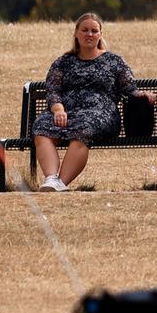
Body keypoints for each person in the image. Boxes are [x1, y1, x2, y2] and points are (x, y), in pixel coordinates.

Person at [34, 13, 145, 191]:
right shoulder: (63, 62)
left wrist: (142, 95)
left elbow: (130, 90)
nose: (89, 34)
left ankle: (61, 183)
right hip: (67, 112)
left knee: (84, 127)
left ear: (100, 34)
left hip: (101, 114)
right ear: (76, 34)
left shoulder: (114, 61)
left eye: (94, 31)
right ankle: (51, 179)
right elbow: (53, 90)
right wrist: (58, 109)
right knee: (42, 125)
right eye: (84, 30)